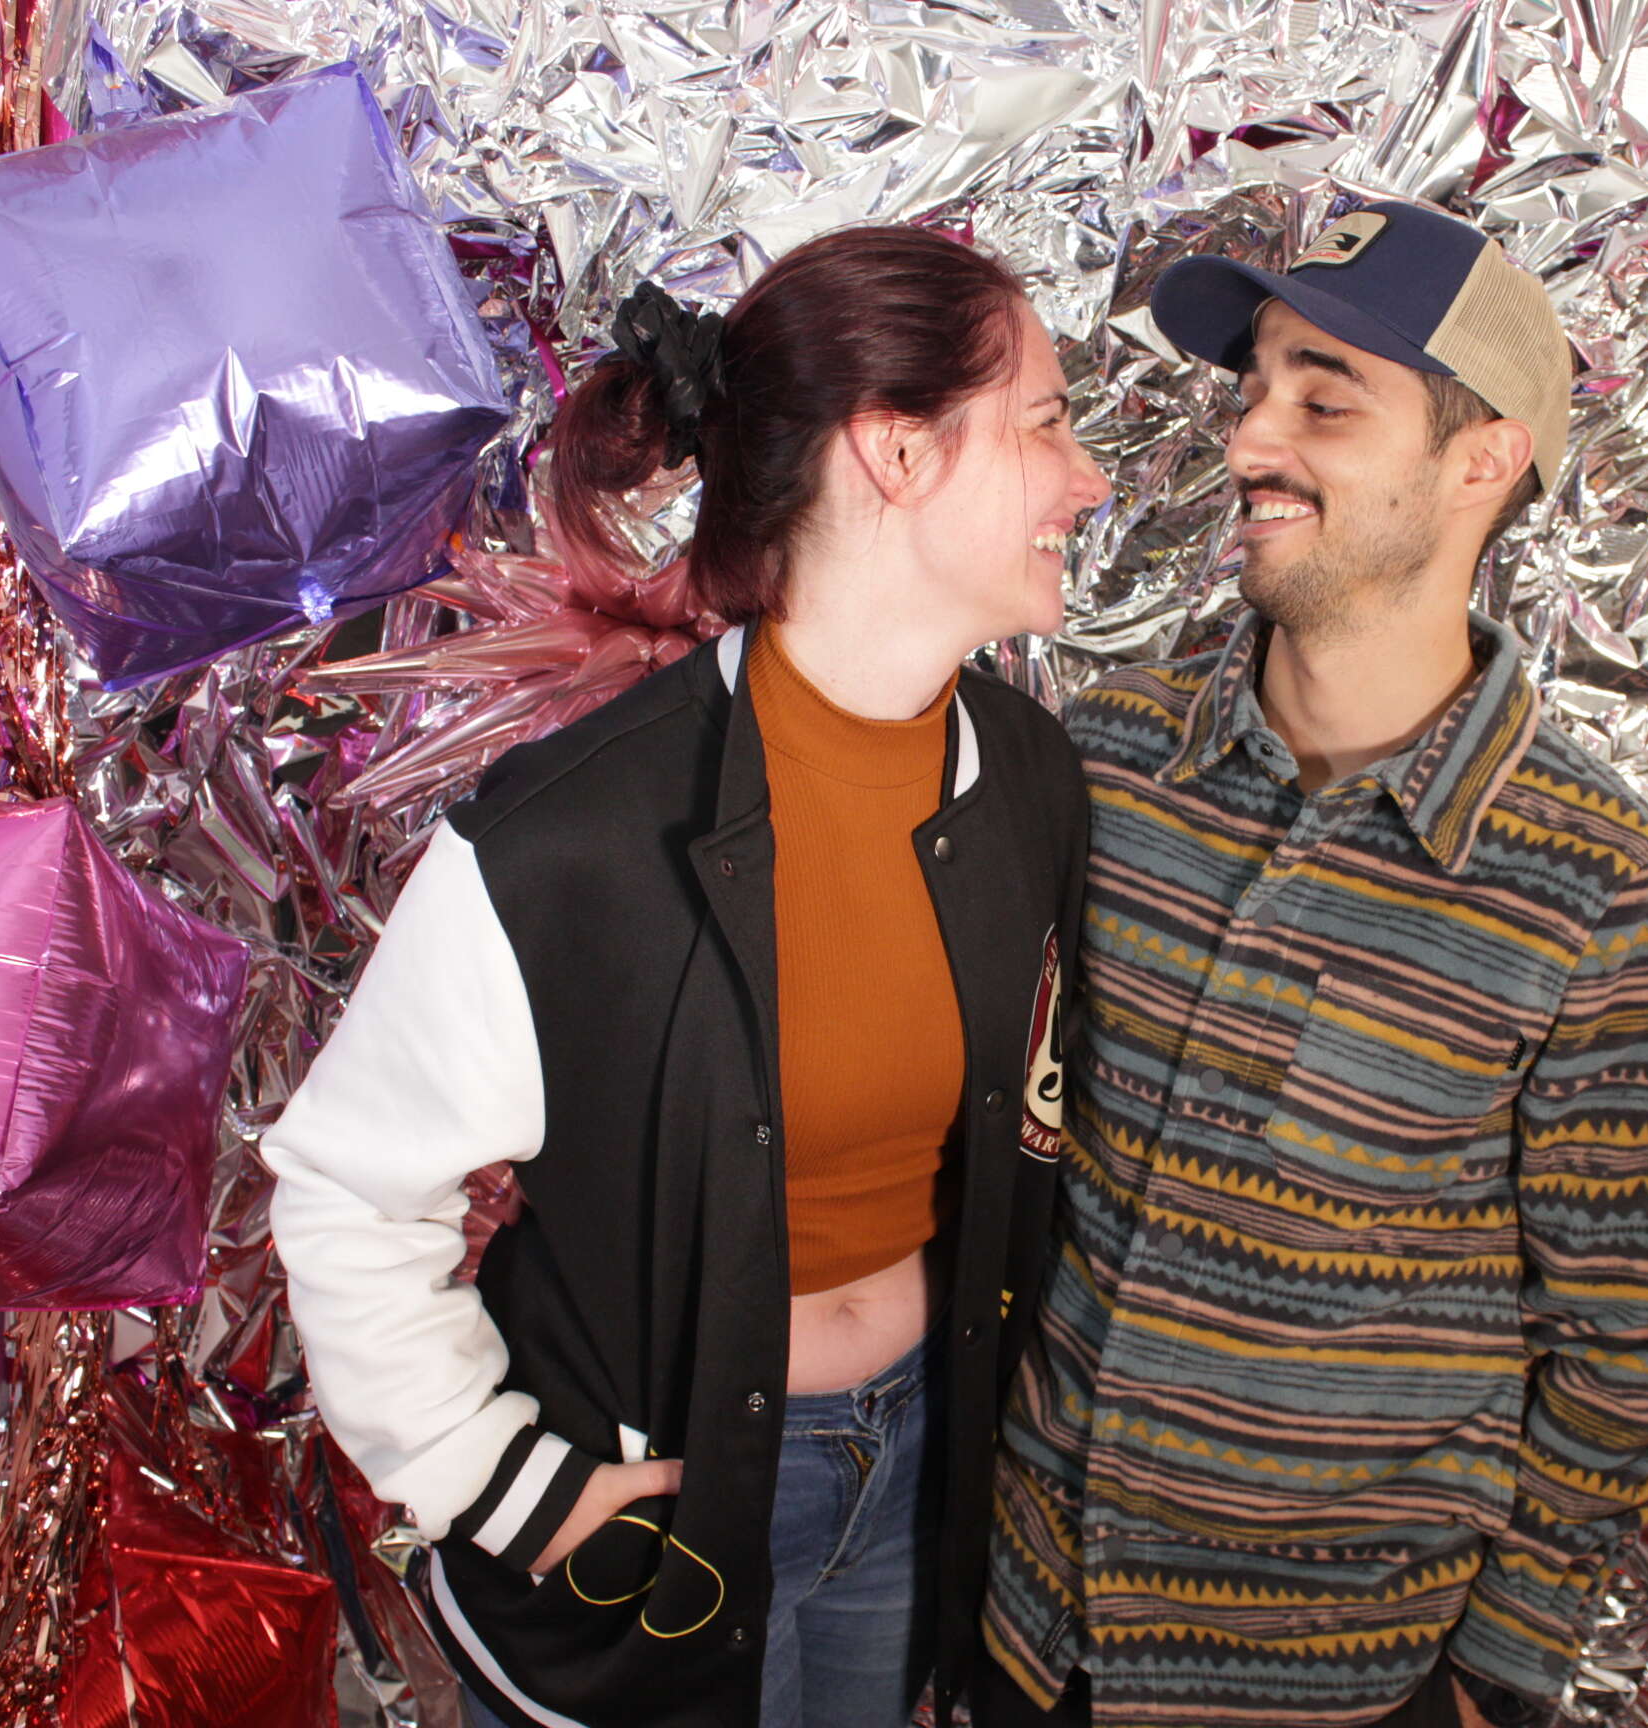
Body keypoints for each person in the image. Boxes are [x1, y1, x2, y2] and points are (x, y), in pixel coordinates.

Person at [264, 225, 1110, 1728]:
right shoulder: (570, 840)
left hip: (923, 1476)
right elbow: (347, 1190)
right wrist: (493, 1479)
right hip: (667, 1502)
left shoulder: (1028, 778)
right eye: (1043, 424)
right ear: (895, 452)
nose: (1087, 478)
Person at [974, 201, 1648, 1728]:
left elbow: (1626, 1347)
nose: (1252, 437)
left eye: (1325, 402)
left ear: (1481, 461)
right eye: (1254, 388)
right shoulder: (1107, 758)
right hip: (1024, 1637)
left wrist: (1495, 1682)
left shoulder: (1602, 888)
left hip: (1333, 1681)